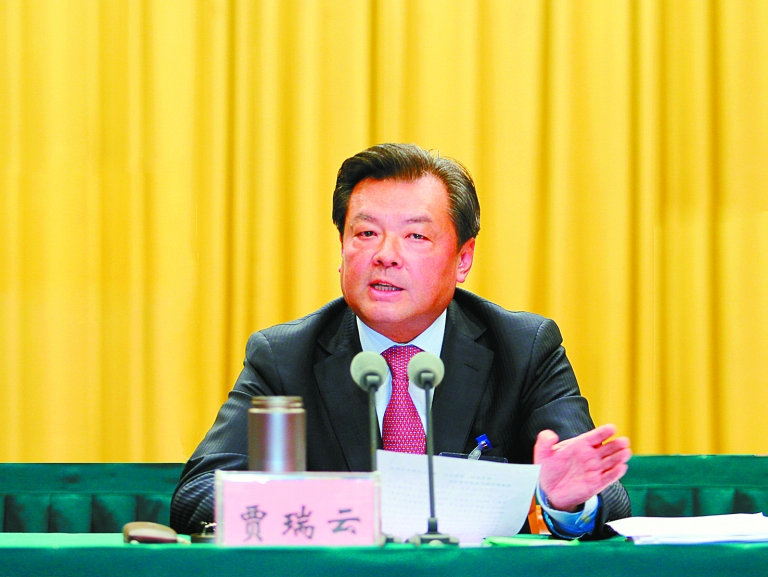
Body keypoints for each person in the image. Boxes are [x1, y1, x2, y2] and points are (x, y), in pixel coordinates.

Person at [171, 143, 632, 538]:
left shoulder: (524, 348)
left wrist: (562, 501)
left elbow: (604, 495)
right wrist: (348, 509)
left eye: (415, 235)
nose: (385, 255)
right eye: (366, 233)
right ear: (342, 247)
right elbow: (196, 496)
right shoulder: (284, 357)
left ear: (463, 259)